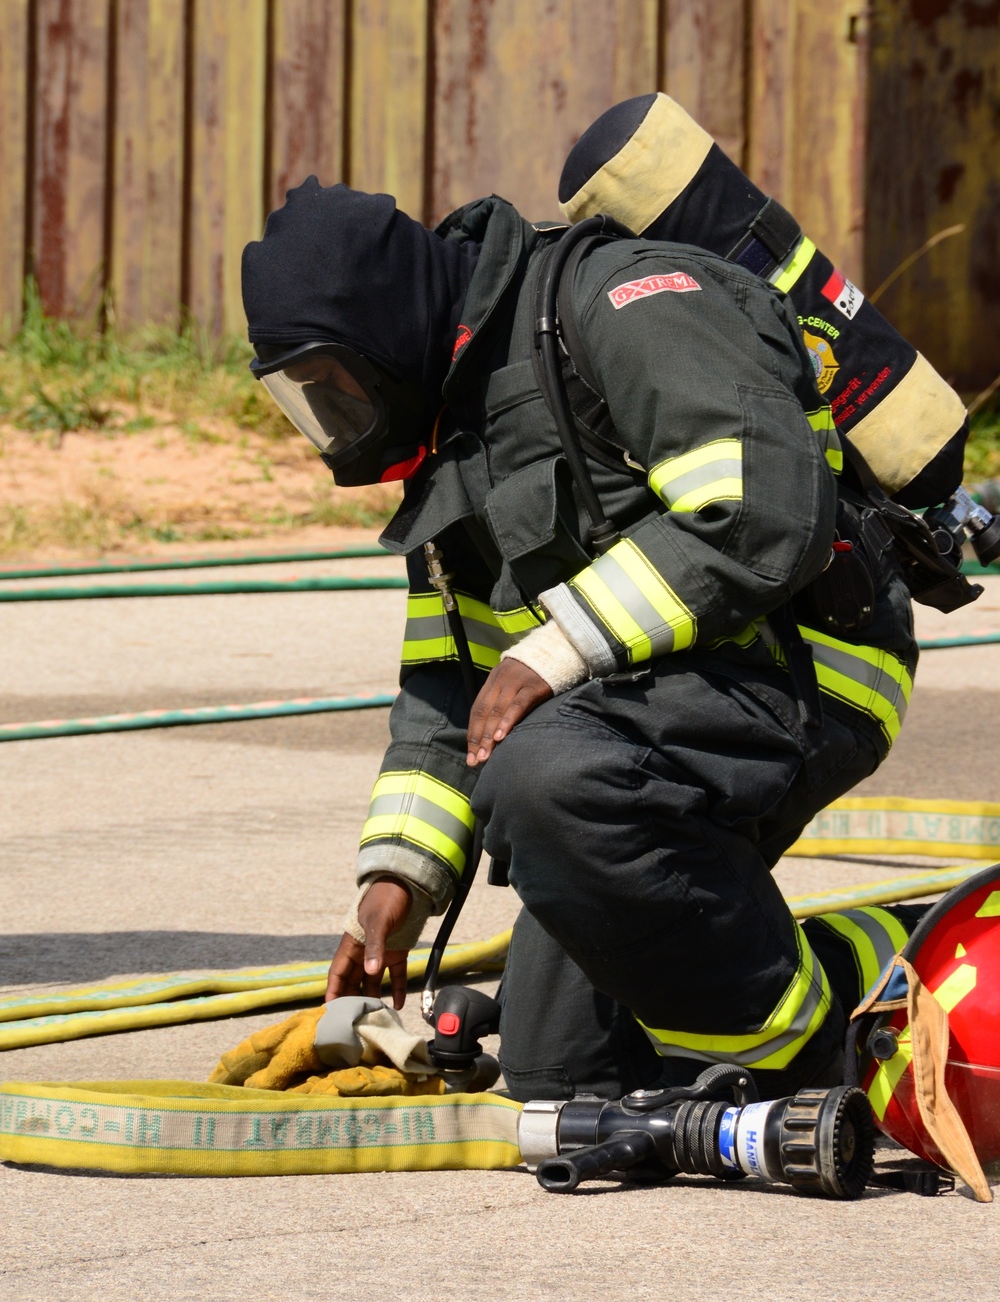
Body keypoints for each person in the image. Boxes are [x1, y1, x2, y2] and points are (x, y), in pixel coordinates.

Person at [241, 157, 917, 1102]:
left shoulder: (621, 302)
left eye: (337, 384)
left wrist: (553, 650)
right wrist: (396, 884)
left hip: (803, 665)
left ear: (386, 324)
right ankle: (898, 953)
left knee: (551, 781)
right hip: (641, 708)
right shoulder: (452, 430)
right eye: (306, 399)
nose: (335, 420)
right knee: (561, 1071)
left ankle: (838, 1046)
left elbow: (759, 509)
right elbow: (449, 689)